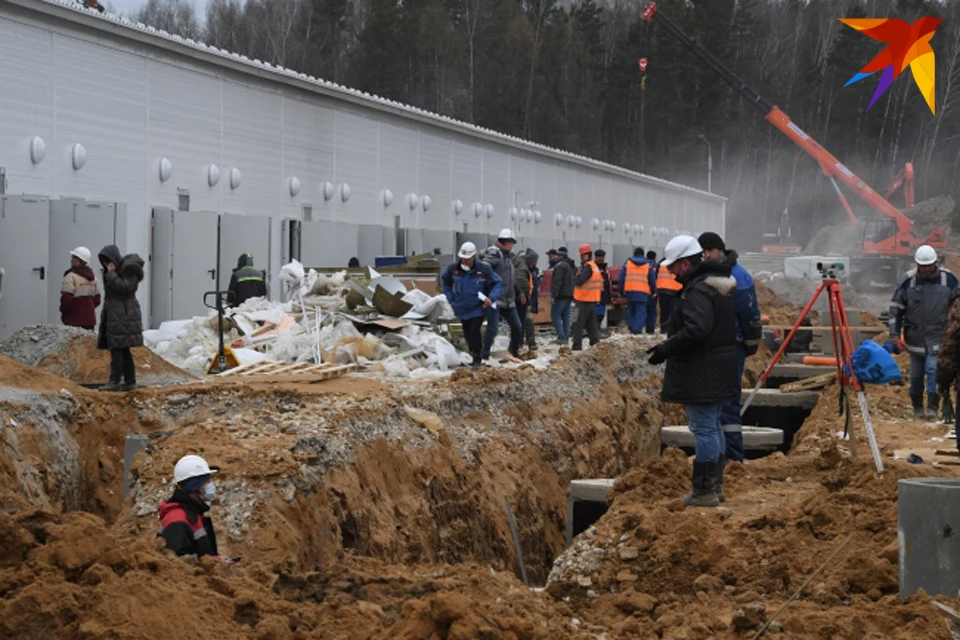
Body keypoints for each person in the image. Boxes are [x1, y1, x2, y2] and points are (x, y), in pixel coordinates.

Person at [646, 235, 738, 508]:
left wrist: (667, 348)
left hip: (703, 369)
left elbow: (697, 329)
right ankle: (714, 487)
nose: (671, 272)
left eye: (673, 266)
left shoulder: (697, 289)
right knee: (714, 426)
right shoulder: (717, 285)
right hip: (718, 365)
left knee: (704, 428)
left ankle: (704, 491)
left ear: (686, 263)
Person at [698, 232, 762, 491]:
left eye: (710, 250)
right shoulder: (710, 274)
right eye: (704, 252)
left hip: (731, 346)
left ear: (720, 250)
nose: (707, 255)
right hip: (714, 347)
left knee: (727, 403)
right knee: (715, 402)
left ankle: (734, 455)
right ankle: (721, 454)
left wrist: (750, 342)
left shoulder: (739, 276)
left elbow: (749, 312)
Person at [891, 245, 960, 418]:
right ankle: (917, 408)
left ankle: (932, 408)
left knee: (932, 371)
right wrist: (894, 335)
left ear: (936, 263)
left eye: (929, 265)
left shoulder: (949, 280)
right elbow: (896, 309)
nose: (927, 269)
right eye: (923, 266)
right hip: (915, 338)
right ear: (917, 264)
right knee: (915, 376)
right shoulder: (908, 281)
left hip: (939, 337)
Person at [158, 455, 236, 564]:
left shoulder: (192, 513)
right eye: (207, 481)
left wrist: (215, 561)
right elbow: (176, 568)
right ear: (195, 485)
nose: (210, 485)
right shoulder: (177, 520)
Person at [441, 242, 503, 368]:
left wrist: (491, 298)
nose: (464, 261)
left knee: (475, 331)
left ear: (474, 256)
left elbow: (498, 283)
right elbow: (445, 282)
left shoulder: (484, 269)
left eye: (467, 258)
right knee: (467, 333)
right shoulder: (453, 269)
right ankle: (473, 353)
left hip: (478, 307)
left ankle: (477, 358)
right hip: (461, 307)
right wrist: (450, 298)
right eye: (462, 258)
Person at [97, 245, 144, 392]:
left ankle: (115, 381)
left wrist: (111, 274)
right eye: (104, 263)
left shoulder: (129, 269)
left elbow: (125, 287)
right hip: (117, 314)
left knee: (118, 348)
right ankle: (129, 381)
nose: (106, 265)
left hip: (123, 314)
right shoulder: (116, 271)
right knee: (122, 349)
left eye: (108, 261)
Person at [481, 229, 524, 360]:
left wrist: (520, 292)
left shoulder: (507, 259)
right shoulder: (495, 253)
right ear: (507, 242)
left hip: (508, 300)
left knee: (517, 327)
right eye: (512, 243)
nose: (513, 246)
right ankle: (484, 355)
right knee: (492, 328)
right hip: (495, 299)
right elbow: (484, 266)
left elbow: (510, 280)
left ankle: (513, 351)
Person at [60, 246, 101, 331]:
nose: (71, 260)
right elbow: (97, 300)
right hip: (90, 321)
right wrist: (87, 309)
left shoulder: (70, 277)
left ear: (78, 261)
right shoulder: (93, 279)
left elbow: (66, 299)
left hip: (73, 321)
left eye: (73, 257)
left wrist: (64, 312)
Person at [571, 244, 602, 351]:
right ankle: (595, 345)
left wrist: (574, 278)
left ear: (586, 255)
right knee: (591, 325)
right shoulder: (594, 266)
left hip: (583, 300)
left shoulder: (587, 267)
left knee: (576, 323)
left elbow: (579, 281)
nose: (580, 257)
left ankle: (576, 346)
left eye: (581, 255)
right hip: (591, 300)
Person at [619, 247, 656, 335]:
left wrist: (620, 290)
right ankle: (637, 330)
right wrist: (654, 291)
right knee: (640, 311)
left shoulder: (627, 264)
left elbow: (621, 278)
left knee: (631, 310)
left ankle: (632, 327)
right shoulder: (648, 265)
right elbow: (652, 280)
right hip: (643, 292)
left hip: (630, 291)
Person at [549, 247, 575, 345]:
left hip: (561, 295)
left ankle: (562, 337)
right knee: (566, 317)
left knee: (555, 315)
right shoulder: (569, 265)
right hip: (569, 294)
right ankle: (566, 338)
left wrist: (553, 295)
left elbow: (557, 282)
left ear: (559, 256)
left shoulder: (560, 266)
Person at [656, 250, 683, 334]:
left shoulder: (661, 263)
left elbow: (656, 275)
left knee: (664, 310)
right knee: (673, 311)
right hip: (674, 289)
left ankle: (663, 328)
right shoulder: (677, 263)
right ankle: (671, 329)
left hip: (662, 290)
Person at [522, 249, 541, 352]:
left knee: (526, 322)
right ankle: (529, 343)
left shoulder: (531, 271)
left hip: (527, 300)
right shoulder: (526, 271)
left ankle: (529, 343)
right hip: (524, 300)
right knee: (527, 322)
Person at [593, 249, 613, 335]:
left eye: (602, 257)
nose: (601, 259)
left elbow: (608, 282)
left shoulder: (606, 269)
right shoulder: (592, 267)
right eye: (599, 257)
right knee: (595, 314)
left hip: (604, 295)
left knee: (601, 314)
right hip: (594, 295)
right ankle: (595, 330)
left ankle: (597, 329)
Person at [644, 251, 659, 334]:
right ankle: (650, 329)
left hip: (643, 291)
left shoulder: (643, 265)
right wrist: (655, 291)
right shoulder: (655, 266)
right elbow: (654, 280)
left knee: (643, 310)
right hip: (652, 292)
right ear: (654, 257)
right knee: (652, 311)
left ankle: (641, 327)